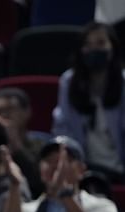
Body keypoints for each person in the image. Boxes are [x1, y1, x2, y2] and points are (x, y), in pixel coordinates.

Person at [52, 22, 125, 184]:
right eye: (88, 44)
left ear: (112, 48)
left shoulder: (123, 82)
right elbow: (63, 127)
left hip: (120, 167)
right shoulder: (69, 82)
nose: (94, 49)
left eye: (100, 43)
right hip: (85, 167)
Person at [0, 87, 45, 197]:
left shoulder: (41, 146)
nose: (4, 115)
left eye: (10, 109)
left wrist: (16, 144)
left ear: (27, 112)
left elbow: (40, 182)